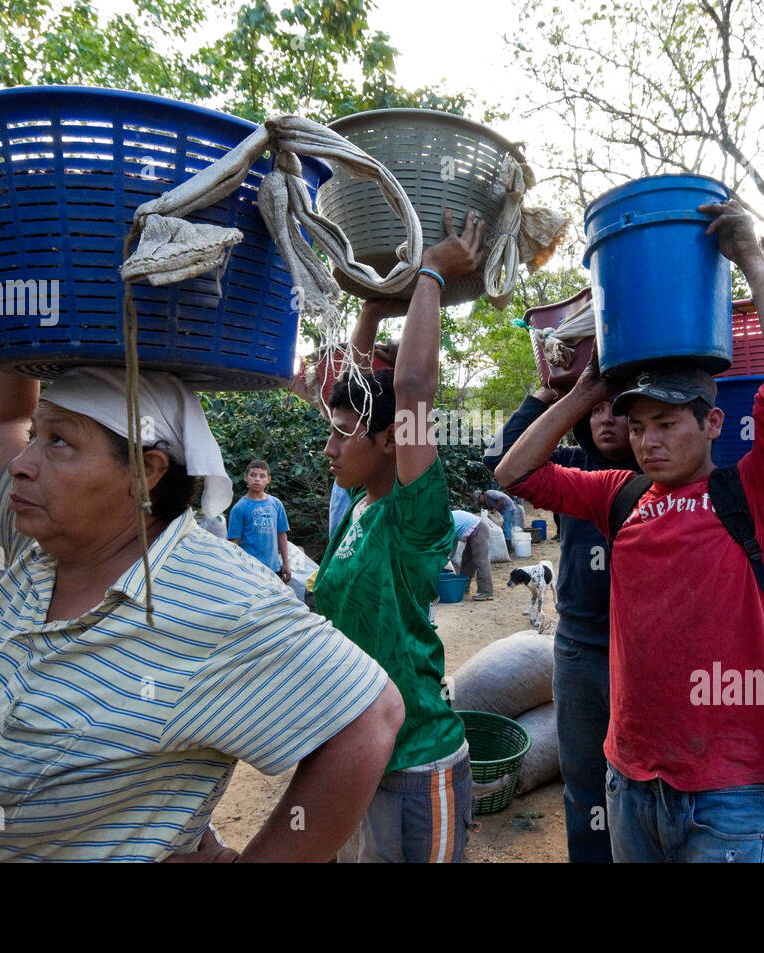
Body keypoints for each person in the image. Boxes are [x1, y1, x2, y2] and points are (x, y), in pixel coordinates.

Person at [0, 315, 404, 863]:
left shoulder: (218, 598)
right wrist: (38, 264)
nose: (22, 465)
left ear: (145, 470)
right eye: (35, 435)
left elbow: (370, 717)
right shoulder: (43, 546)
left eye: (58, 442)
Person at [495, 198, 764, 863]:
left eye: (667, 423)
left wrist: (752, 259)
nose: (648, 440)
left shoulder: (753, 495)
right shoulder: (621, 494)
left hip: (728, 786)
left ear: (710, 423)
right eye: (639, 425)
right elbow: (517, 474)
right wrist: (586, 391)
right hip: (632, 778)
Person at [314, 210, 484, 863]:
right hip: (358, 761)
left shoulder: (412, 521)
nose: (327, 447)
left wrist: (434, 272)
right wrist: (372, 310)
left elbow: (410, 392)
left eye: (340, 434)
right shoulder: (356, 509)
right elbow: (359, 394)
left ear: (389, 442)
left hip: (417, 764)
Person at [483, 362, 639, 863]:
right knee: (584, 777)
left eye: (616, 409)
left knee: (641, 777)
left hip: (639, 650)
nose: (604, 420)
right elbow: (501, 456)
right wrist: (556, 390)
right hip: (577, 645)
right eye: (594, 412)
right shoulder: (569, 465)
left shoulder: (657, 470)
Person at [227, 459, 291, 585]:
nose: (257, 479)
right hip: (250, 570)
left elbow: (282, 534)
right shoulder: (239, 508)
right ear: (245, 477)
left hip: (274, 568)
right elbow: (233, 542)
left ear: (268, 480)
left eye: (262, 476)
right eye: (253, 475)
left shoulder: (276, 504)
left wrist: (286, 563)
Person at [451, 508, 494, 601]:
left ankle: (487, 592)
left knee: (481, 561)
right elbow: (453, 542)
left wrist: (447, 558)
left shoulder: (445, 521)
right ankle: (464, 587)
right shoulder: (446, 519)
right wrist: (449, 558)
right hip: (474, 531)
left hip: (478, 529)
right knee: (467, 560)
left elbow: (447, 543)